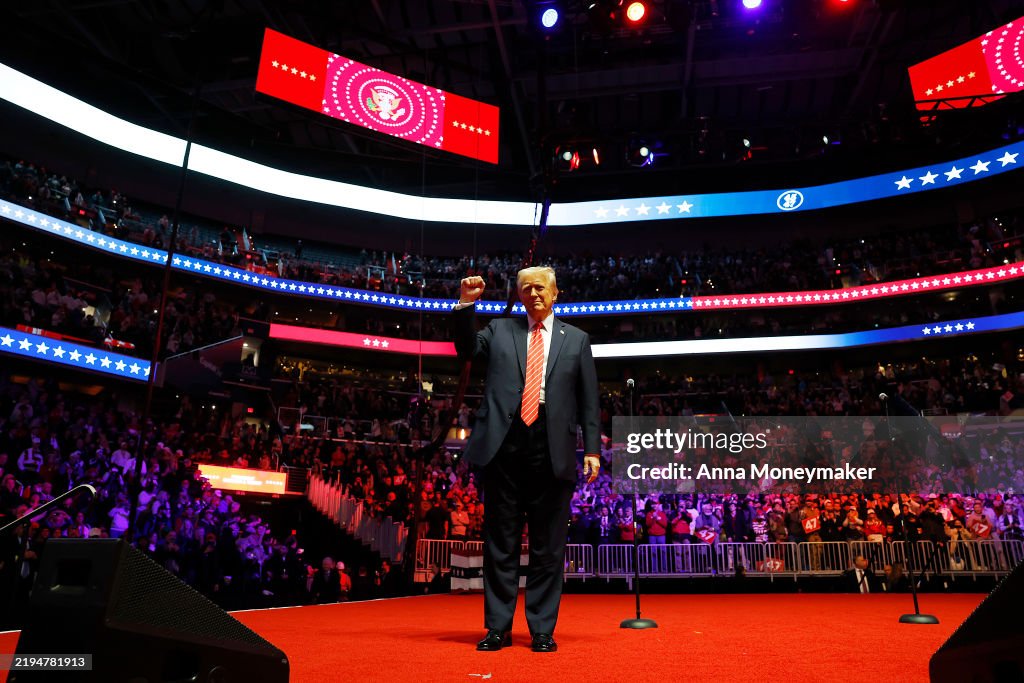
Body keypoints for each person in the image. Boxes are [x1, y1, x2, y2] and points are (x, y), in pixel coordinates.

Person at [454, 267, 600, 653]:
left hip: (554, 448)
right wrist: (467, 304)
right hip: (504, 445)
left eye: (540, 287)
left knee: (548, 547)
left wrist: (594, 450)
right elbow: (467, 349)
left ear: (556, 293)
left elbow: (589, 400)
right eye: (526, 288)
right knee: (499, 543)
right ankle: (497, 628)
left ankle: (541, 630)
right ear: (519, 295)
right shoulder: (500, 330)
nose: (533, 293)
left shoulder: (578, 340)